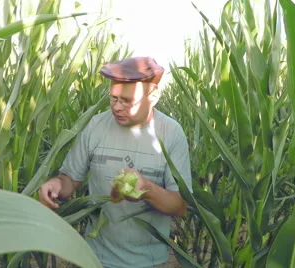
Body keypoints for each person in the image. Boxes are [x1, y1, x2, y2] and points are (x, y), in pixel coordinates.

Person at [38, 56, 192, 268]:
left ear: (153, 95)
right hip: (94, 259)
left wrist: (146, 189)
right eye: (113, 98)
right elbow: (70, 180)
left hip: (149, 262)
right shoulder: (96, 126)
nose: (117, 107)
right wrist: (56, 185)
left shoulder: (171, 134)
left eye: (127, 101)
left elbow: (180, 205)